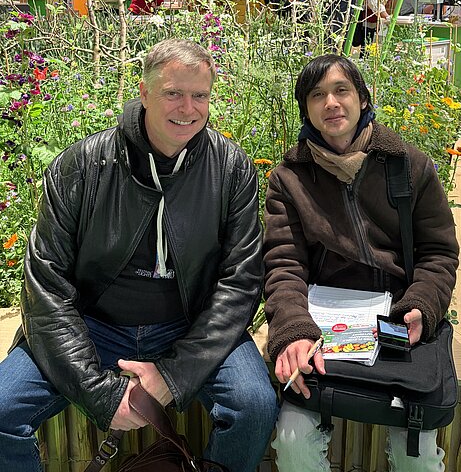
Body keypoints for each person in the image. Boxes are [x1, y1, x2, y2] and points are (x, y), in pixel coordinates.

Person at [0, 39, 278, 472]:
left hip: (189, 324)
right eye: (173, 93)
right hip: (93, 324)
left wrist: (174, 375)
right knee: (1, 410)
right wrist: (102, 394)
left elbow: (240, 282)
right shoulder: (82, 166)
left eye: (199, 95)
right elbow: (45, 287)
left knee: (255, 406)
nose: (188, 108)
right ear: (144, 93)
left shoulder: (231, 168)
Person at [263, 54, 459, 472]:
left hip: (396, 319)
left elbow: (438, 252)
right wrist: (292, 327)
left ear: (363, 98)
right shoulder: (290, 179)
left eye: (341, 90)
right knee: (294, 442)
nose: (330, 102)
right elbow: (284, 265)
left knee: (418, 456)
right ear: (307, 111)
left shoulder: (409, 167)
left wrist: (422, 303)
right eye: (317, 95)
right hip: (322, 325)